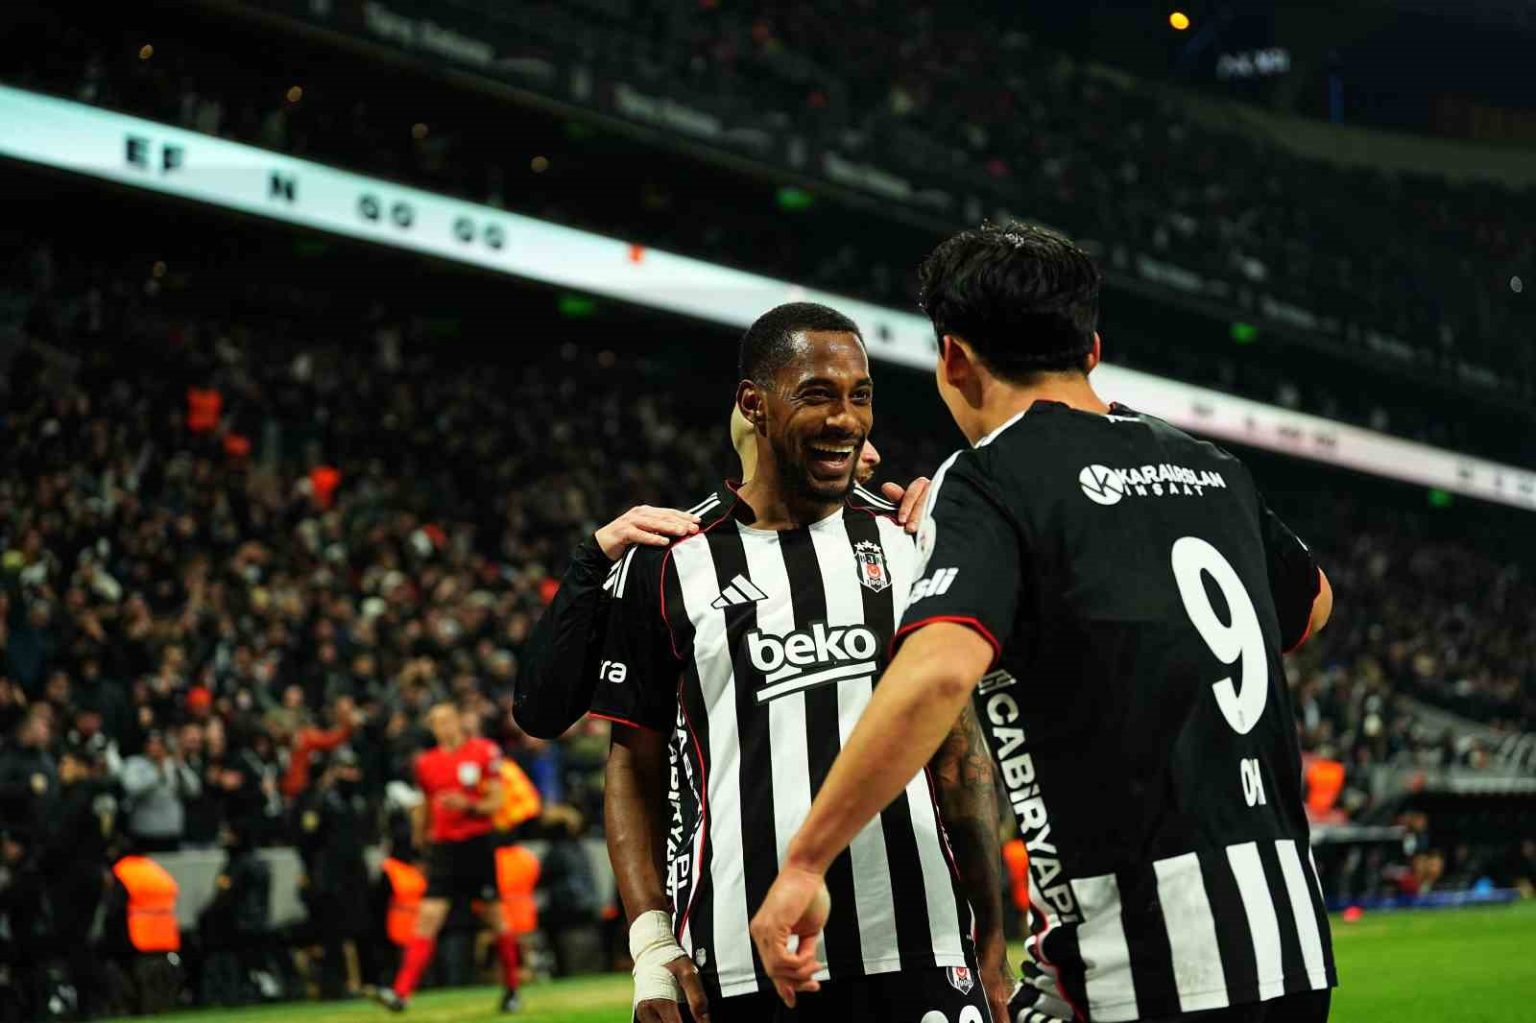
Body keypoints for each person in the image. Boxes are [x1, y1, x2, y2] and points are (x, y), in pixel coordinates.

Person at [752, 224, 1338, 1023]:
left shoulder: (992, 475)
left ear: (953, 358)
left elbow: (938, 673)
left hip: (1143, 957)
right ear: (1091, 349)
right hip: (1291, 944)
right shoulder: (1212, 467)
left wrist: (805, 861)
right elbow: (1313, 604)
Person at [593, 302, 1007, 1023]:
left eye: (860, 395)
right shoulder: (667, 564)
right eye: (818, 395)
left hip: (923, 943)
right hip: (737, 959)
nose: (846, 419)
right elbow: (633, 765)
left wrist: (994, 937)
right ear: (754, 403)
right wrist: (653, 947)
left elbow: (958, 752)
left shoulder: (914, 540)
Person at [513, 410, 926, 742]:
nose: (873, 455)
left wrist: (954, 524)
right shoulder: (675, 556)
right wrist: (591, 561)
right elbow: (541, 712)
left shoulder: (906, 531)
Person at [367, 703, 521, 1013]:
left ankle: (512, 989)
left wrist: (468, 805)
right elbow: (425, 804)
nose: (444, 727)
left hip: (477, 845)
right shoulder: (426, 763)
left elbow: (496, 801)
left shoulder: (484, 752)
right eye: (437, 723)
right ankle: (401, 994)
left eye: (448, 720)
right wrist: (419, 839)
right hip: (444, 850)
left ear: (459, 721)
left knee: (495, 918)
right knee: (427, 917)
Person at [119, 729, 201, 852]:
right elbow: (132, 788)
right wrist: (158, 773)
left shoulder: (172, 764)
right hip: (144, 831)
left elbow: (194, 789)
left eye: (159, 743)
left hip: (171, 831)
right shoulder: (135, 764)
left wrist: (180, 767)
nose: (155, 747)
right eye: (151, 743)